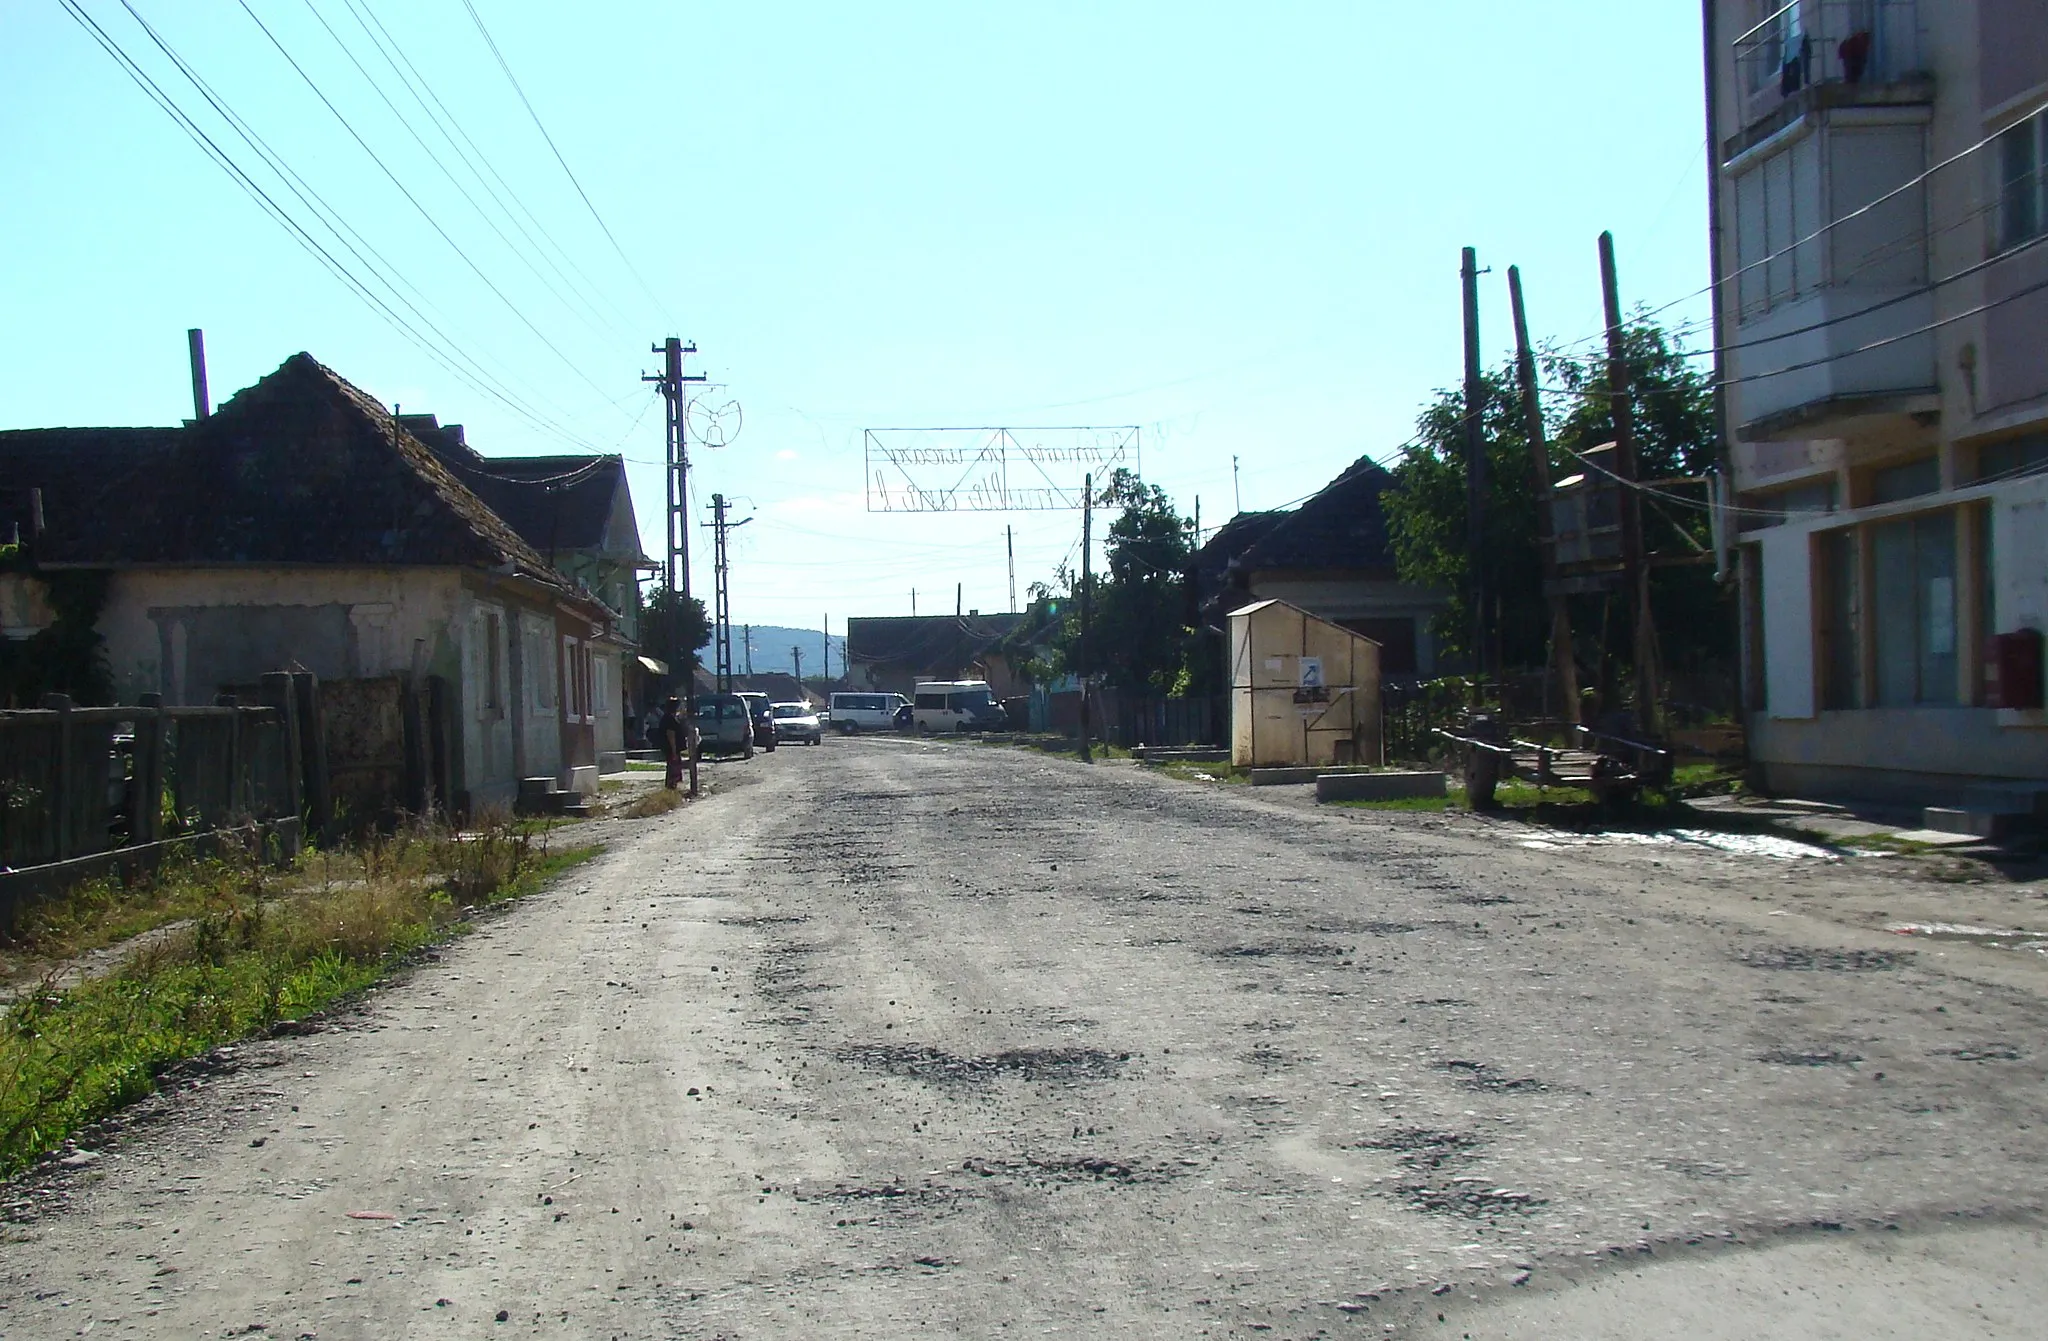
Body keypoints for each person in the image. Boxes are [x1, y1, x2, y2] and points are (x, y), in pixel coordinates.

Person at [659, 695, 687, 790]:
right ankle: (672, 786)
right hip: (671, 748)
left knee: (675, 767)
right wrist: (674, 751)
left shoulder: (672, 717)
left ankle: (674, 786)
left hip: (674, 749)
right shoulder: (669, 719)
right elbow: (671, 735)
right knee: (673, 768)